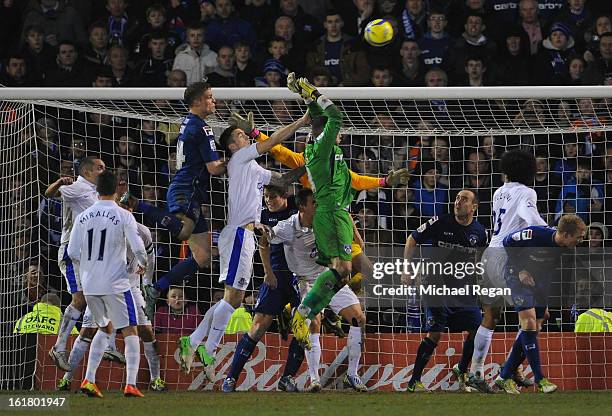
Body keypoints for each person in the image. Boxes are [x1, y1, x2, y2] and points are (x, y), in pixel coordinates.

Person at [177, 102, 310, 379]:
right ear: (233, 146)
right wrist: (303, 120)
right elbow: (272, 141)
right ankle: (209, 349)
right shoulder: (240, 159)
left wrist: (310, 163)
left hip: (242, 234)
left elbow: (285, 180)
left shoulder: (253, 168)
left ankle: (194, 340)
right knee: (234, 299)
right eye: (240, 135)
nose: (245, 136)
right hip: (239, 233)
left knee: (232, 298)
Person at [122, 83, 225, 320]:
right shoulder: (202, 127)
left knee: (203, 257)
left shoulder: (187, 122)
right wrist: (238, 158)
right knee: (181, 232)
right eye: (210, 97)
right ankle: (138, 204)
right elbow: (213, 168)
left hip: (191, 191)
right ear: (198, 101)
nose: (214, 101)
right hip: (186, 189)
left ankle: (156, 288)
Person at [466, 149, 546, 393]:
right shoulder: (527, 192)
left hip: (490, 254)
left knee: (491, 315)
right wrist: (553, 233)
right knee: (536, 317)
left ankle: (476, 373)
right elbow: (530, 219)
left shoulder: (499, 192)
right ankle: (510, 370)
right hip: (509, 258)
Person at [58, 217, 165, 392]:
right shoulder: (103, 228)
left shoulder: (142, 231)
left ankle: (155, 379)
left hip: (131, 287)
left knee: (145, 330)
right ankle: (67, 379)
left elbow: (150, 259)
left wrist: (147, 283)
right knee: (88, 331)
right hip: (104, 286)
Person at [67, 170, 147, 398]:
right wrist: (143, 263)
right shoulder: (124, 215)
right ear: (116, 190)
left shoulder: (83, 216)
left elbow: (72, 252)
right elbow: (138, 247)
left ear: (96, 189)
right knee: (131, 330)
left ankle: (89, 380)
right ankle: (131, 384)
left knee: (105, 328)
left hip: (91, 285)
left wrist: (90, 268)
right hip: (116, 284)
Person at [221, 185, 304, 392]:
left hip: (300, 277)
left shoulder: (297, 210)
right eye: (266, 197)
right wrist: (268, 273)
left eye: (273, 197)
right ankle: (231, 378)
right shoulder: (263, 216)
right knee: (258, 327)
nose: (269, 201)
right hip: (276, 276)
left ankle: (287, 378)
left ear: (285, 196)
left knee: (304, 328)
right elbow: (263, 244)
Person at [403, 189, 487, 392]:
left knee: (478, 329)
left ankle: (461, 368)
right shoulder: (440, 222)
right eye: (457, 198)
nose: (458, 202)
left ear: (474, 207)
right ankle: (414, 381)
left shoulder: (481, 232)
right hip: (435, 286)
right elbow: (412, 239)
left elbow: (479, 258)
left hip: (463, 291)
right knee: (435, 333)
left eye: (464, 199)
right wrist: (407, 268)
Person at [495, 215, 586, 394]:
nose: (580, 241)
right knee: (528, 324)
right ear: (567, 234)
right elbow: (507, 241)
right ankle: (540, 379)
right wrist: (520, 269)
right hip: (517, 277)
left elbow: (549, 271)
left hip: (539, 283)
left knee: (536, 325)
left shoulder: (566, 249)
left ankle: (503, 377)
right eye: (578, 237)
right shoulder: (535, 234)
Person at [46, 156, 106, 372]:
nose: (103, 171)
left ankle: (106, 342)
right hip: (72, 252)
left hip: (89, 254)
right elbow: (49, 194)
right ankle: (59, 346)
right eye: (100, 168)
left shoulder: (97, 193)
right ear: (88, 171)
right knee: (80, 299)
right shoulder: (78, 187)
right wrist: (60, 183)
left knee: (98, 295)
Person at [13, 294, 78, 335]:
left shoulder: (23, 319)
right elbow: (74, 340)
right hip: (48, 354)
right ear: (58, 307)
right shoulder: (64, 321)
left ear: (41, 303)